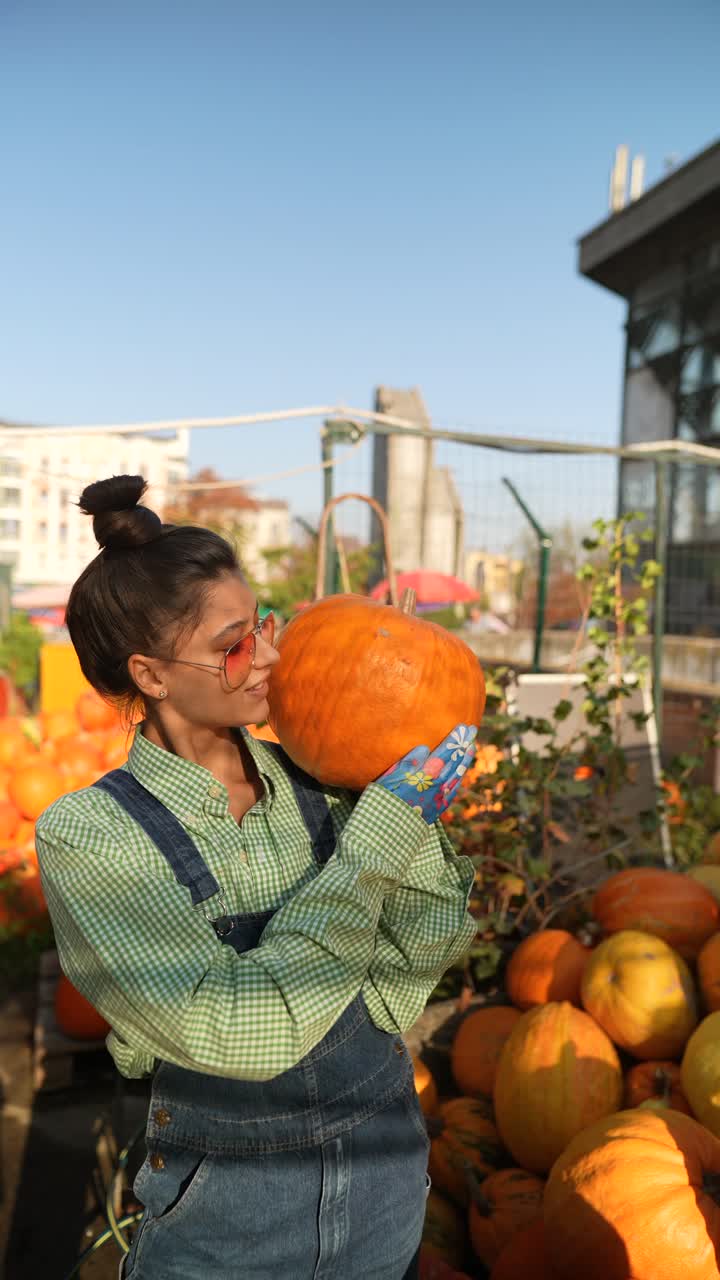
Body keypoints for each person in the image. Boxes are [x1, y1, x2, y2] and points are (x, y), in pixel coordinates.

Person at [35, 475, 479, 1280]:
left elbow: (398, 987)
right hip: (227, 1228)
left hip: (384, 1190)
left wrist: (415, 825)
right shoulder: (92, 838)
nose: (271, 656)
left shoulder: (322, 782)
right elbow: (242, 1032)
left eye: (264, 625)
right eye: (234, 644)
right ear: (153, 674)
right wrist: (379, 838)